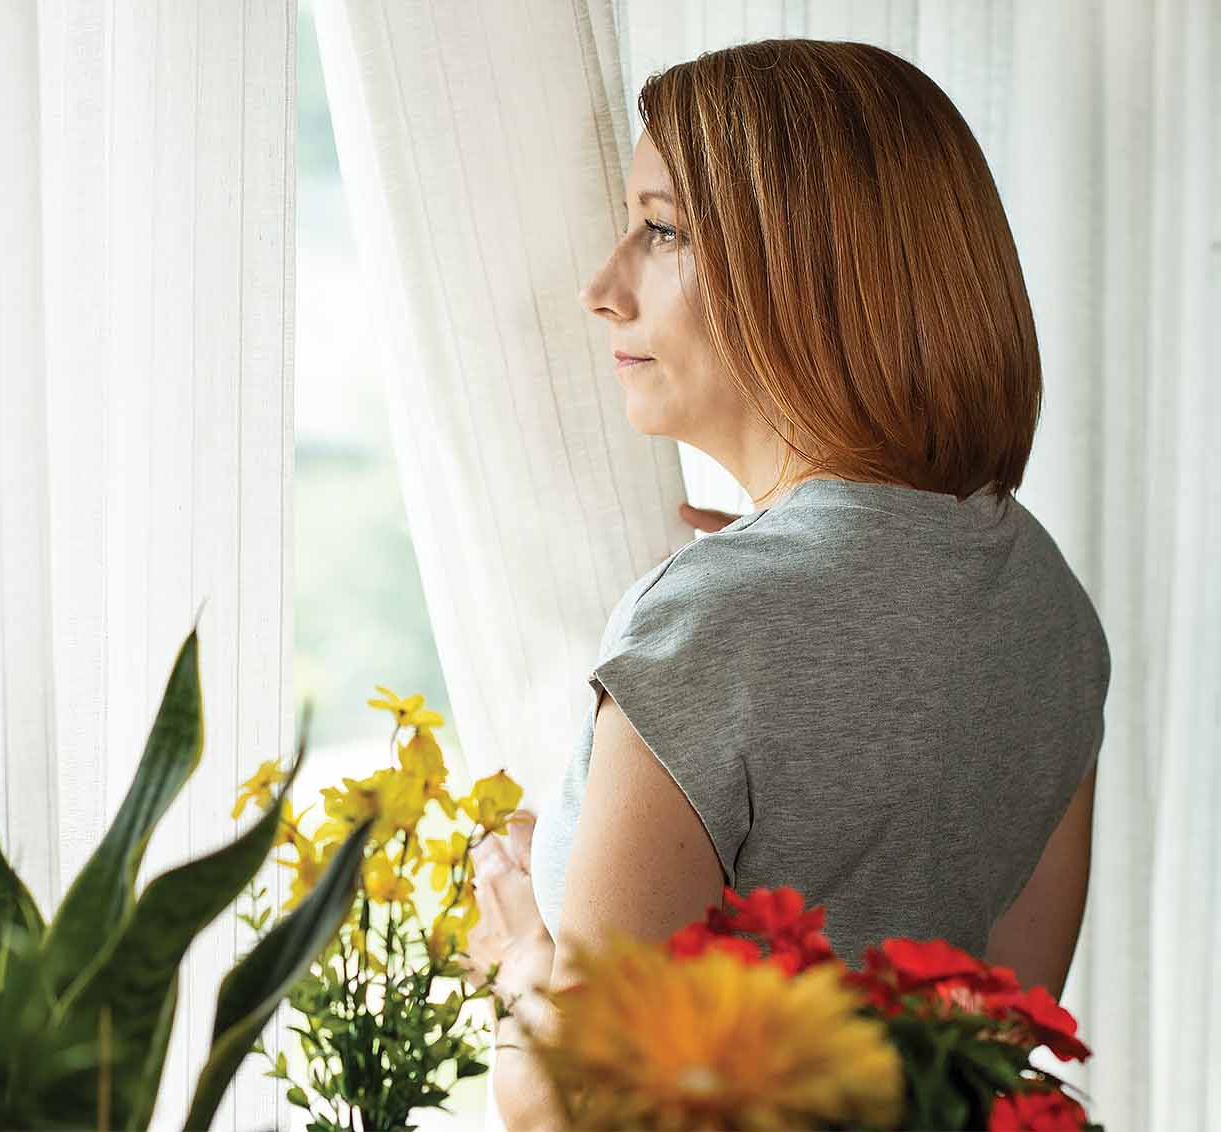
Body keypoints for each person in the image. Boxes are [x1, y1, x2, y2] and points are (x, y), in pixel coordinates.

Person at [459, 39, 1110, 1131]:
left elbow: (583, 1106)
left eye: (659, 229)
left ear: (805, 268)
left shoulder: (707, 621)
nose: (601, 287)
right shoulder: (1044, 598)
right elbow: (998, 1044)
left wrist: (524, 959)